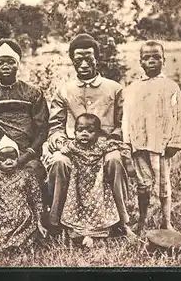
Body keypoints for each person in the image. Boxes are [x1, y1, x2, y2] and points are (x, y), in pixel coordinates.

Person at [44, 33, 135, 238]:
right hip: (73, 147)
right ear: (72, 61)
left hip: (105, 146)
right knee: (59, 161)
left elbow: (123, 123)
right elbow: (55, 125)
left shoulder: (114, 88)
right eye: (78, 60)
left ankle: (121, 221)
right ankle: (56, 221)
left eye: (88, 59)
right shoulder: (64, 91)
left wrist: (113, 139)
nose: (84, 64)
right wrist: (58, 139)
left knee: (114, 160)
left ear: (97, 59)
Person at [0, 39, 49, 222]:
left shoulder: (33, 94)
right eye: (0, 62)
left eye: (11, 61)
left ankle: (35, 223)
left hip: (25, 154)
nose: (6, 66)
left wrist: (25, 156)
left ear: (18, 64)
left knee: (34, 177)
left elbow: (42, 130)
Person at [122, 40, 181, 236]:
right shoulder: (133, 88)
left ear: (163, 60)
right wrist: (127, 142)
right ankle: (142, 221)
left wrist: (175, 141)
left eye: (156, 57)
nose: (152, 61)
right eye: (147, 58)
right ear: (140, 62)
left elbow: (179, 116)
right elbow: (126, 116)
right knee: (143, 183)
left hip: (161, 145)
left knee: (164, 184)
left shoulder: (170, 86)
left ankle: (166, 222)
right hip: (139, 144)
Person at [57, 113, 133, 246]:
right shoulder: (73, 146)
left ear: (98, 134)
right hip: (78, 185)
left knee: (98, 209)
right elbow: (62, 148)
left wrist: (129, 162)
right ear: (74, 132)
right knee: (76, 210)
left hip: (97, 185)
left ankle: (99, 235)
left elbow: (121, 146)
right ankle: (78, 235)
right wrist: (59, 146)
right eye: (80, 131)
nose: (84, 134)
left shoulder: (101, 146)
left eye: (90, 131)